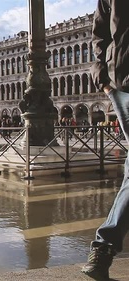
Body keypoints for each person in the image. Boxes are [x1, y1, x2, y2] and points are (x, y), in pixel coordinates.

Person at [82, 1, 129, 279]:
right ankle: (103, 247)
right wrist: (103, 78)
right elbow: (100, 33)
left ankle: (103, 249)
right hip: (125, 83)